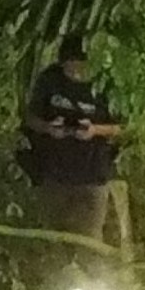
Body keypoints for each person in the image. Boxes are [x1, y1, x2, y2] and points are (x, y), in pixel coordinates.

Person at [18, 35, 127, 257]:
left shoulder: (104, 84)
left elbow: (122, 126)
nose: (76, 73)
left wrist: (95, 130)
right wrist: (49, 128)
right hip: (54, 174)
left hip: (93, 174)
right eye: (70, 68)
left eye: (81, 68)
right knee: (53, 241)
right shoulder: (49, 80)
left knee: (90, 243)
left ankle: (92, 286)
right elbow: (31, 118)